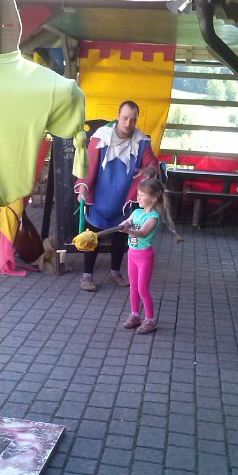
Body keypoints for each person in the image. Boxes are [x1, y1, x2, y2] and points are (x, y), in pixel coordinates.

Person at [75, 101, 160, 292]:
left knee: (121, 236)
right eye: (125, 118)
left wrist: (150, 169)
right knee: (92, 237)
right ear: (118, 117)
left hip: (124, 200)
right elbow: (88, 165)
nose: (128, 123)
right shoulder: (101, 136)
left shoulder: (141, 142)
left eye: (133, 119)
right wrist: (83, 189)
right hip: (99, 198)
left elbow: (152, 163)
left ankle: (115, 272)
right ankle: (87, 276)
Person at [119, 178, 166, 334]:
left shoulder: (153, 217)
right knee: (133, 287)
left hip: (144, 256)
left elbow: (143, 233)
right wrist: (124, 224)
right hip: (132, 254)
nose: (137, 198)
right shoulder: (136, 212)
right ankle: (135, 315)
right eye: (138, 194)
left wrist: (128, 230)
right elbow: (127, 221)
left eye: (142, 195)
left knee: (142, 289)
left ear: (153, 198)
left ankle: (150, 320)